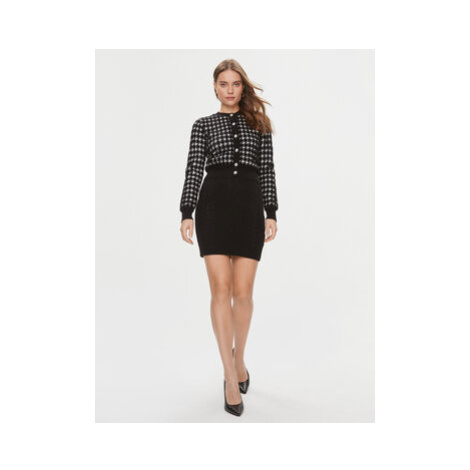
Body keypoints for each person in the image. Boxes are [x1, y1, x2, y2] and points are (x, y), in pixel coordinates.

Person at [179, 59, 279, 417]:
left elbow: (267, 169)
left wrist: (271, 211)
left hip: (248, 208)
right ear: (215, 87)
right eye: (224, 84)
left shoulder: (259, 124)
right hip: (214, 209)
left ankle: (239, 359)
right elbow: (194, 167)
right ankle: (229, 375)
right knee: (220, 290)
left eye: (236, 84)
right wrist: (187, 211)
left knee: (244, 293)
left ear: (242, 86)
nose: (230, 90)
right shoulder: (203, 125)